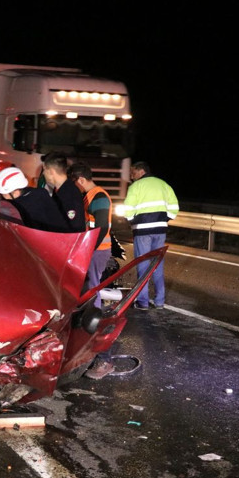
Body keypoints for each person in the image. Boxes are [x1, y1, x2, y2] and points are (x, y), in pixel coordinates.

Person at [70, 161, 115, 380]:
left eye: (75, 183)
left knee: (92, 297)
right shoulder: (90, 196)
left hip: (97, 252)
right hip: (93, 251)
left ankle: (102, 354)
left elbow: (102, 227)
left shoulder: (98, 197)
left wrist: (89, 249)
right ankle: (90, 335)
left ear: (80, 179)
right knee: (89, 294)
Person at [121, 161, 179, 310]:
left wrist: (132, 221)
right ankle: (159, 301)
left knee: (143, 265)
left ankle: (143, 302)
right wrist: (164, 220)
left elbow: (128, 209)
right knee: (158, 264)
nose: (132, 176)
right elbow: (174, 207)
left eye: (133, 173)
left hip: (142, 230)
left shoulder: (136, 186)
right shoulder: (163, 184)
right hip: (160, 230)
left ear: (141, 171)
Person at [0, 167, 70, 232]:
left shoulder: (23, 208)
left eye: (4, 194)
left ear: (16, 192)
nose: (2, 196)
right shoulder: (40, 192)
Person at [41, 151, 86, 233]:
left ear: (51, 171)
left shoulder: (70, 194)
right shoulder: (59, 191)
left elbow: (74, 229)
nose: (43, 173)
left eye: (44, 170)